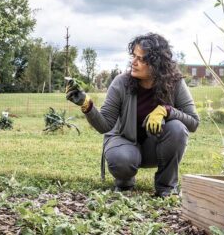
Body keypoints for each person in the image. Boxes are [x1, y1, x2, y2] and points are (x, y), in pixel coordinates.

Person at [66, 33, 199, 197]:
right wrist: (86, 104)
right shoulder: (121, 82)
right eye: (133, 56)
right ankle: (124, 183)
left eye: (141, 59)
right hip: (124, 143)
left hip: (155, 148)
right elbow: (105, 125)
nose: (133, 62)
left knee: (177, 128)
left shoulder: (175, 83)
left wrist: (167, 110)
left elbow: (193, 123)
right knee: (122, 159)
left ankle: (166, 188)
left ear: (156, 64)